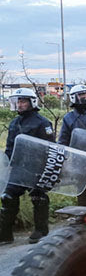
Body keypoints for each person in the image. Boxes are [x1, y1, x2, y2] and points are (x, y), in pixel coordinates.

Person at [0, 88, 55, 245]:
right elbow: (10, 148)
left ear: (32, 102)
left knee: (38, 197)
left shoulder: (43, 123)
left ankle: (41, 231)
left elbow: (51, 148)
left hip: (37, 169)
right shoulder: (14, 123)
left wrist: (46, 170)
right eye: (18, 101)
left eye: (23, 101)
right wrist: (7, 165)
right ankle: (5, 234)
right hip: (18, 169)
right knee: (7, 197)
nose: (20, 104)